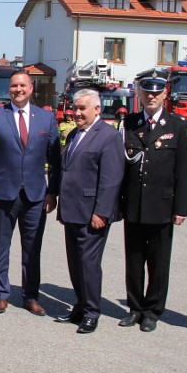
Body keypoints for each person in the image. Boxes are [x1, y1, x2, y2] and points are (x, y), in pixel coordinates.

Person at [0, 69, 61, 314]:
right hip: (2, 195)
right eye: (14, 86)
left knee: (32, 249)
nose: (18, 90)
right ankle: (1, 294)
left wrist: (52, 192)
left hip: (36, 195)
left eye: (23, 85)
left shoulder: (46, 119)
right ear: (9, 89)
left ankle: (30, 296)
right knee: (0, 247)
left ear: (31, 88)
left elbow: (55, 160)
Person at [118, 74, 187, 332]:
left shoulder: (178, 126)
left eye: (156, 93)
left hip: (162, 206)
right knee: (134, 260)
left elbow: (182, 171)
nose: (151, 97)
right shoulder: (129, 123)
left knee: (158, 263)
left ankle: (152, 311)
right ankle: (135, 308)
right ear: (139, 94)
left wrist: (180, 208)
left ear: (164, 96)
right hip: (134, 205)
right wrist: (118, 203)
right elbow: (122, 168)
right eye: (146, 92)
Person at [54, 88, 125, 333]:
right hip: (72, 211)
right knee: (75, 263)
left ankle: (92, 312)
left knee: (89, 263)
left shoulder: (108, 136)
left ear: (97, 109)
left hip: (92, 213)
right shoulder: (75, 134)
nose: (77, 112)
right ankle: (81, 306)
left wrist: (102, 212)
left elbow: (111, 179)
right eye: (75, 108)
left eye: (83, 108)